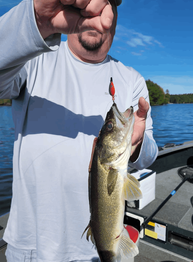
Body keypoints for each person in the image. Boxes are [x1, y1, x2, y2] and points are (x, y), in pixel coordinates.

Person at [0, 0, 158, 261]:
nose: (94, 13)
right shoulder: (32, 57)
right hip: (33, 248)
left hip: (101, 250)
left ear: (115, 21)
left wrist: (138, 145)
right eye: (86, 7)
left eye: (106, 4)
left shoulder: (133, 80)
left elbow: (149, 155)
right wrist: (36, 21)